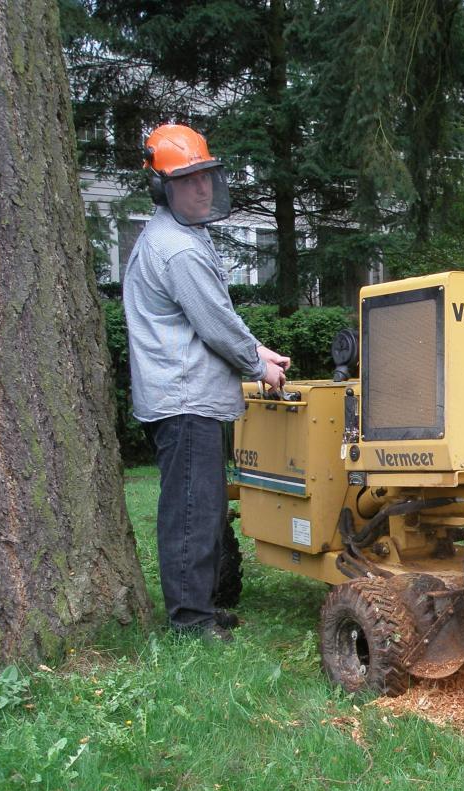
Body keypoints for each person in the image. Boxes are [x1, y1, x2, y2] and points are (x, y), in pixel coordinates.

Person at [123, 123, 290, 640]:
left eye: (206, 177)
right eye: (187, 180)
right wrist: (256, 364)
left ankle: (199, 608)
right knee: (193, 514)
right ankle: (190, 622)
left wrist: (257, 349)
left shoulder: (177, 238)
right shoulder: (180, 250)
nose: (202, 189)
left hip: (184, 398)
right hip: (185, 401)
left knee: (200, 508)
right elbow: (216, 324)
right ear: (162, 187)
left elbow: (210, 317)